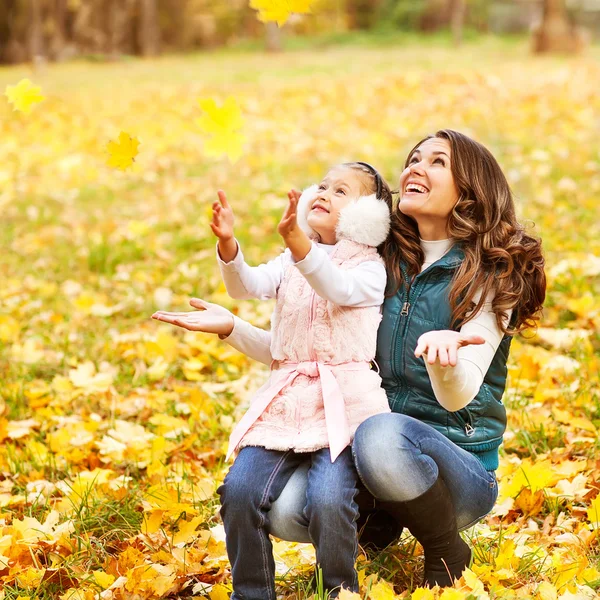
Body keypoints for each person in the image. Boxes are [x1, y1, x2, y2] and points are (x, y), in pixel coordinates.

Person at [154, 130, 546, 590]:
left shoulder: (490, 273)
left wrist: (445, 359)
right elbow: (314, 356)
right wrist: (232, 328)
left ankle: (444, 545)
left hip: (456, 469)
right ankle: (380, 522)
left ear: (472, 190)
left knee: (378, 434)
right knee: (284, 508)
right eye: (414, 158)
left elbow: (461, 393)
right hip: (366, 456)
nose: (416, 166)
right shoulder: (381, 261)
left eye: (438, 162)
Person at [154, 162, 395, 599]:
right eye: (321, 186)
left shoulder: (368, 269)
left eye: (341, 191)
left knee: (328, 499)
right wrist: (229, 248)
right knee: (240, 490)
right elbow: (247, 286)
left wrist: (301, 246)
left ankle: (337, 590)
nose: (323, 193)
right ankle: (251, 592)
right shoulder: (289, 261)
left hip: (345, 405)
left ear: (367, 216)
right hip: (287, 400)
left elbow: (336, 288)